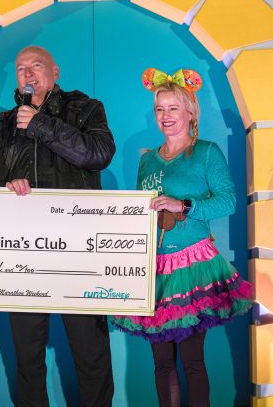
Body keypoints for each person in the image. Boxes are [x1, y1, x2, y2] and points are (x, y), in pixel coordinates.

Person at [0, 46, 116, 407]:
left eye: (36, 66)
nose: (28, 73)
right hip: (22, 254)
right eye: (21, 68)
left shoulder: (84, 108)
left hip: (79, 251)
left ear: (55, 71)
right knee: (28, 356)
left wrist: (41, 124)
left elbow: (98, 153)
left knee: (91, 351)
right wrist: (1, 188)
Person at [110, 68, 253, 407]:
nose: (166, 116)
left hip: (192, 265)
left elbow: (228, 200)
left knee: (191, 360)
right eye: (160, 109)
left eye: (173, 108)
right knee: (161, 364)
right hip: (155, 270)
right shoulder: (147, 160)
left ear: (190, 112)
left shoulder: (206, 152)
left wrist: (183, 205)